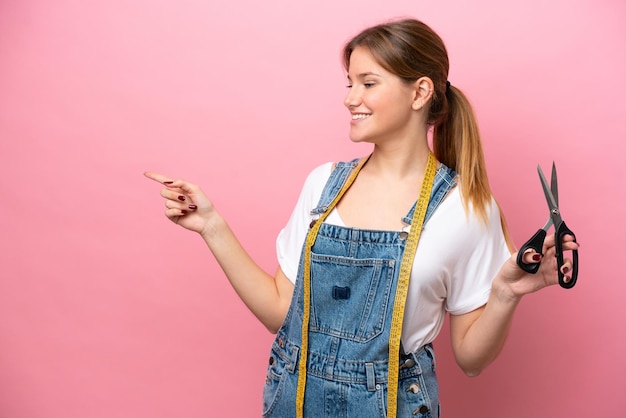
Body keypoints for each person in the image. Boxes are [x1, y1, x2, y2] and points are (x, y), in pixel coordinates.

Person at [145, 18, 578, 418]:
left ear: (420, 92)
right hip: (291, 399)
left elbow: (471, 359)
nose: (350, 98)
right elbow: (282, 311)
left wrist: (505, 293)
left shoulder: (466, 207)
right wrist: (211, 226)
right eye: (350, 83)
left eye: (368, 83)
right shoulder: (323, 187)